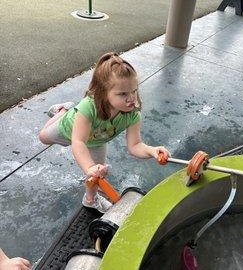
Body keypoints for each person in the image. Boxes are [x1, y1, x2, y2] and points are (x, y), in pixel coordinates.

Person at [38, 53, 170, 213]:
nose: (131, 99)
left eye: (134, 91)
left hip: (97, 142)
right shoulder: (89, 106)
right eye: (122, 94)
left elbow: (135, 145)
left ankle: (90, 199)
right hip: (69, 128)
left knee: (98, 173)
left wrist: (152, 151)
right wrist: (88, 167)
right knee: (43, 137)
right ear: (103, 92)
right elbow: (78, 141)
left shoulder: (132, 114)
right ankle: (63, 110)